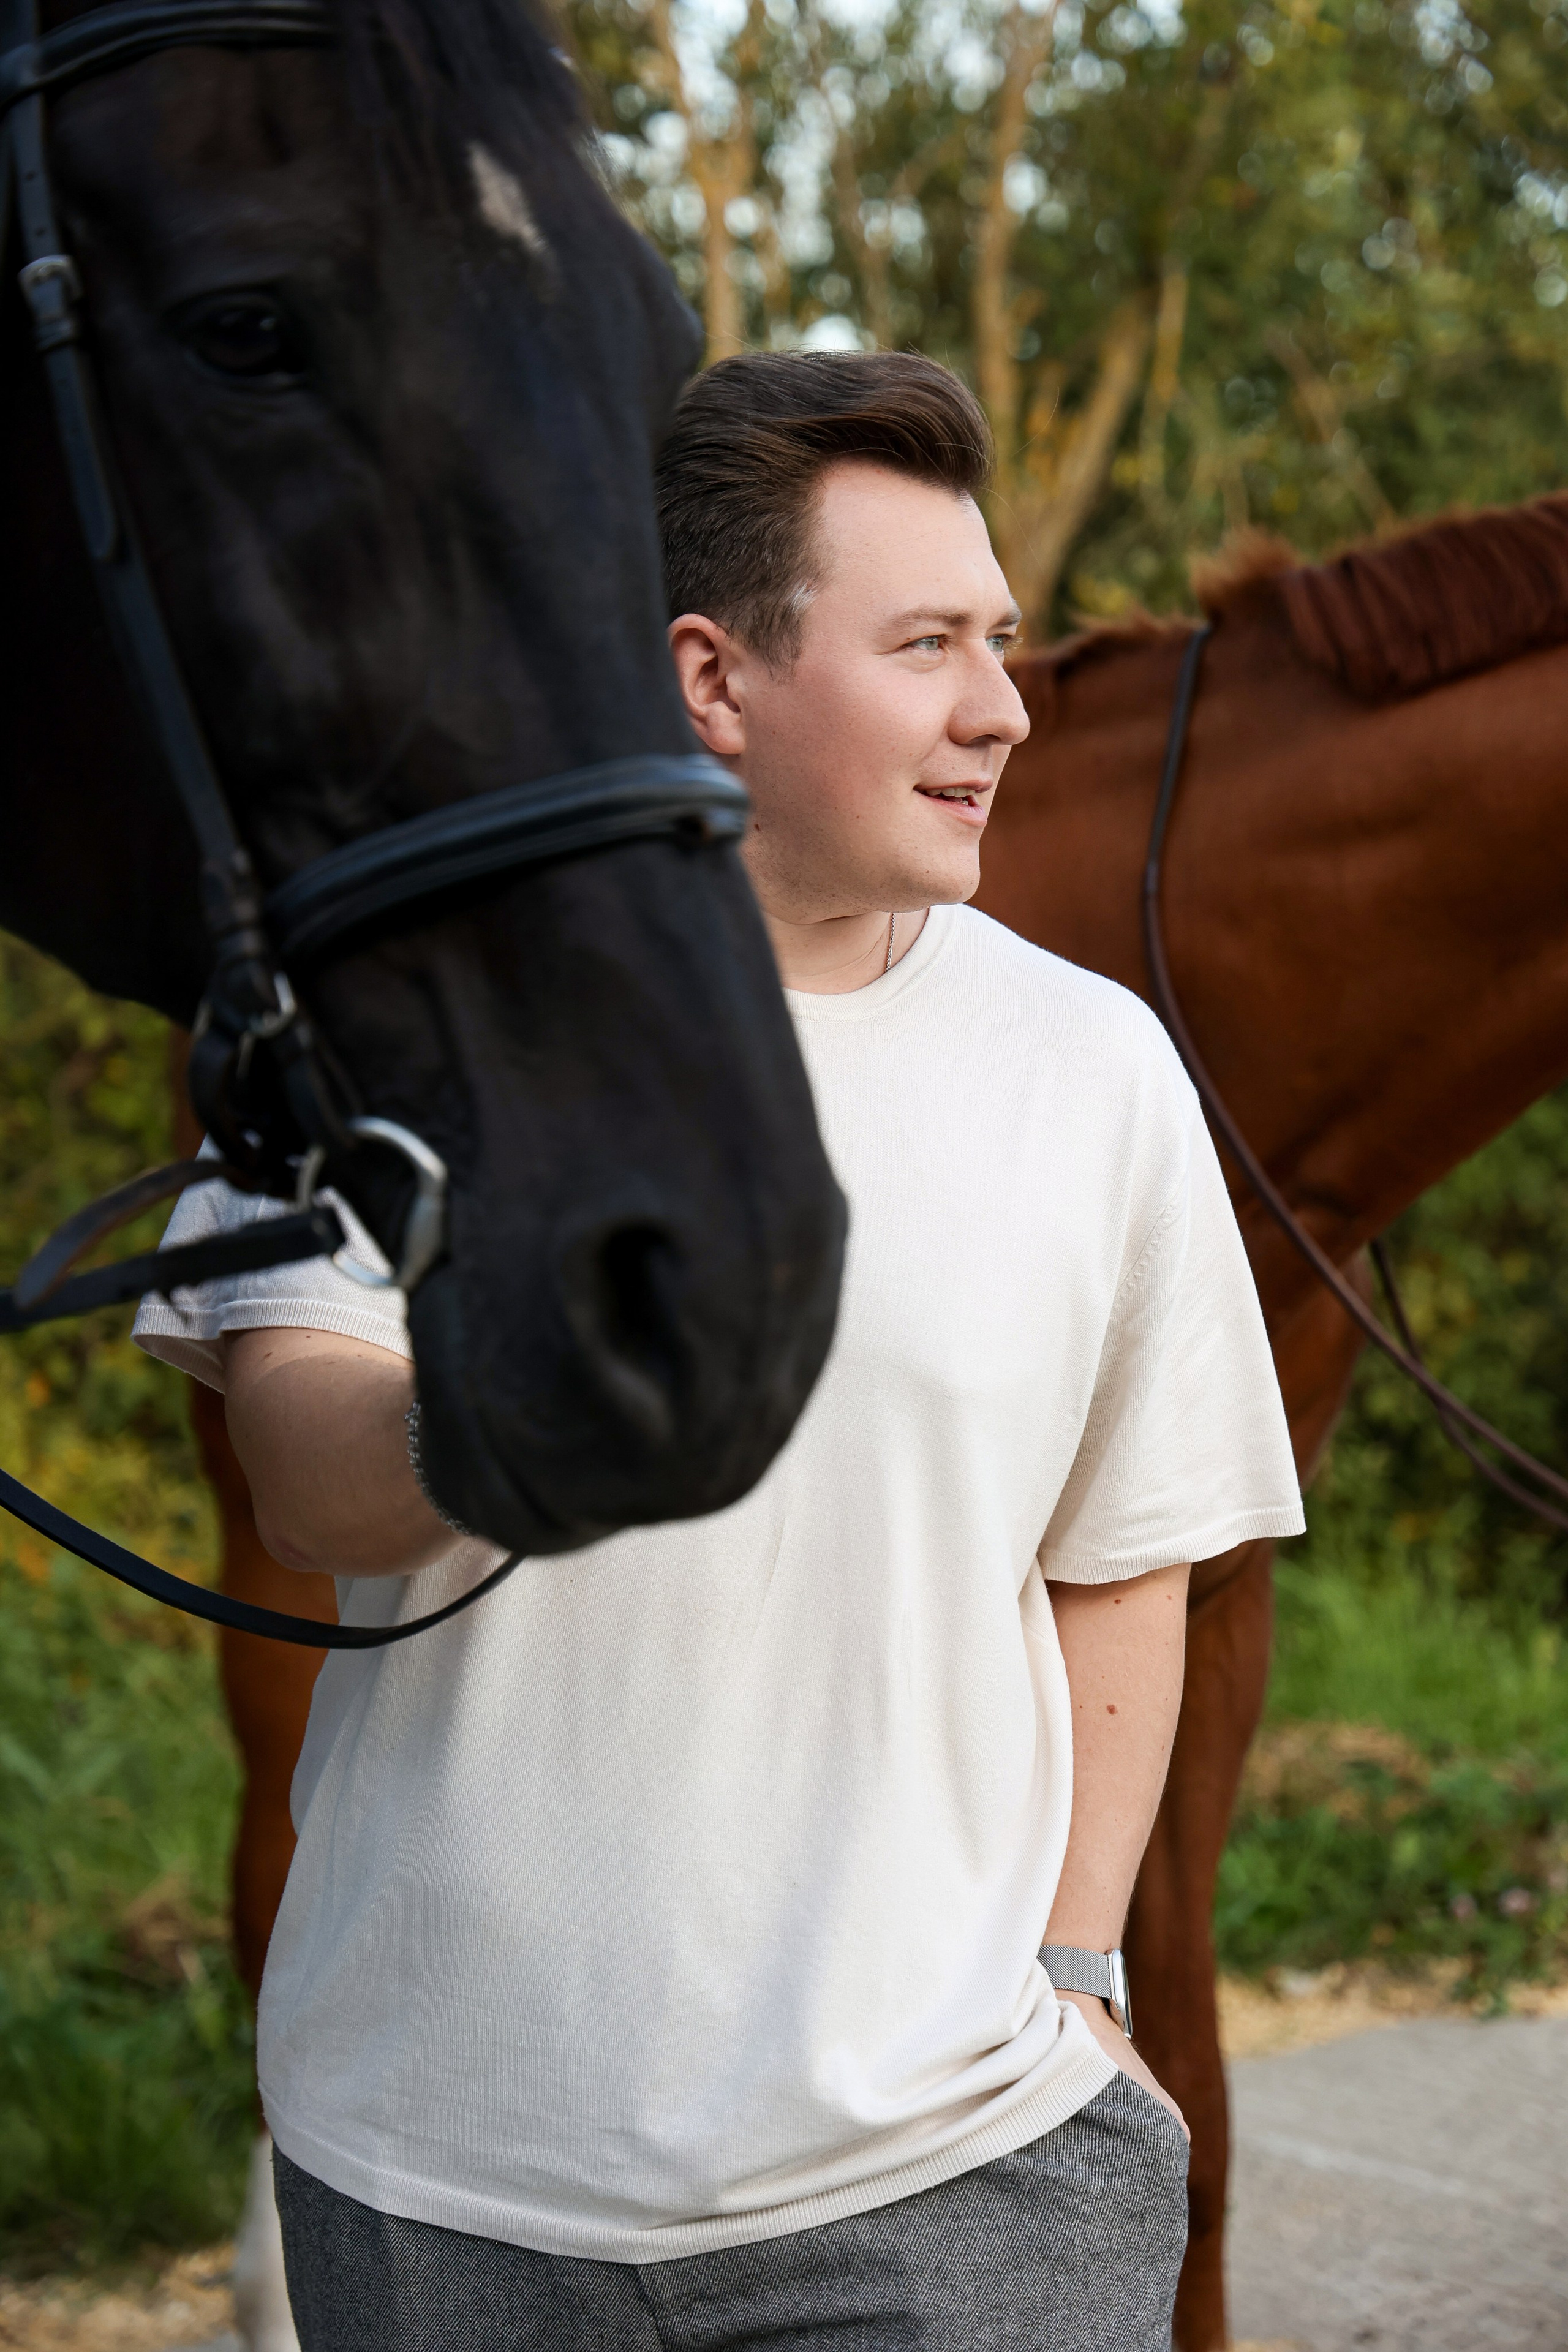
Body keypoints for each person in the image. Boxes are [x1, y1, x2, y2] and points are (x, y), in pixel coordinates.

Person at [135, 350, 1303, 2351]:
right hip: (444, 2191)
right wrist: (524, 1398)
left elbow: (1135, 1552)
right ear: (710, 681)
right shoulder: (398, 1025)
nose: (1001, 710)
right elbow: (308, 1468)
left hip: (959, 2187)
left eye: (1000, 643)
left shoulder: (1095, 1066)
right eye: (929, 643)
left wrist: (1081, 1965)